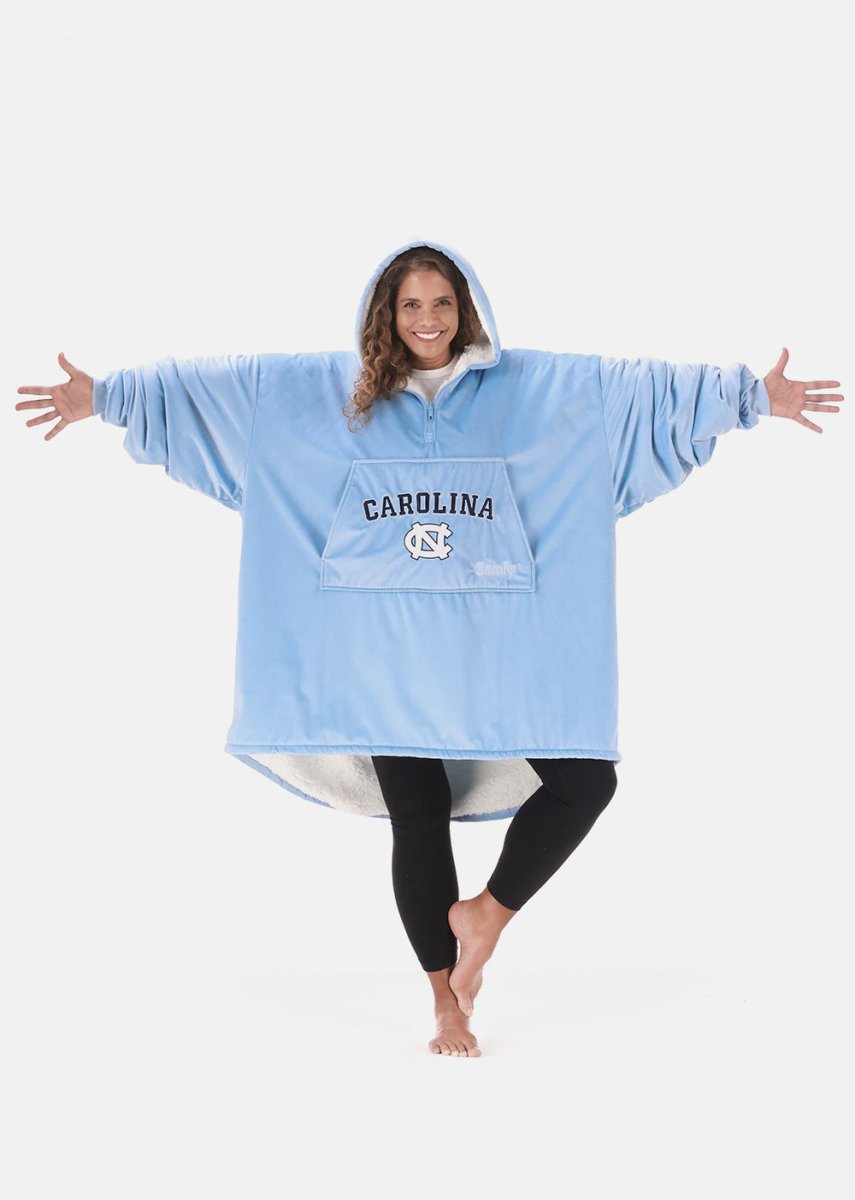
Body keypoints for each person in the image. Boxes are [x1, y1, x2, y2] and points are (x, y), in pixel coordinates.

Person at [16, 241, 844, 1058]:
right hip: (383, 656)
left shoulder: (534, 391)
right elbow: (224, 390)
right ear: (385, 313)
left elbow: (632, 394)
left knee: (586, 781)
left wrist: (746, 397)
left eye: (441, 303)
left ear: (465, 309)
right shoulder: (325, 393)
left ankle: (485, 914)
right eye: (410, 304)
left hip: (492, 648)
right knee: (416, 817)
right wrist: (109, 397)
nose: (426, 319)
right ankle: (447, 1005)